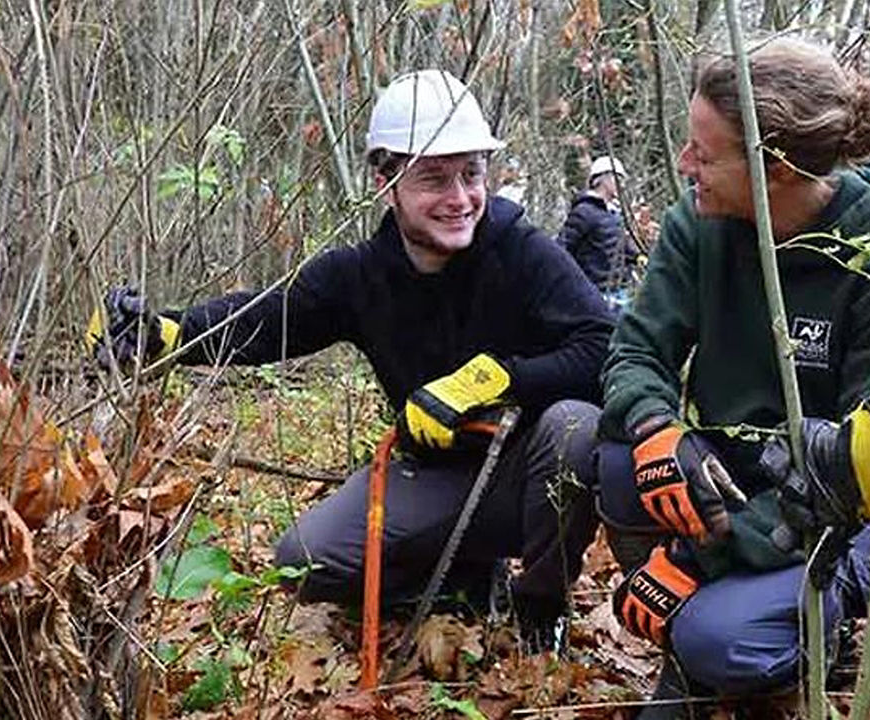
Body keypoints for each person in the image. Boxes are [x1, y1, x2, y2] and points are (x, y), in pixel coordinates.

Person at [87, 69, 615, 651]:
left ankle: (540, 608)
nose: (460, 198)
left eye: (471, 174)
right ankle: (458, 581)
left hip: (525, 476)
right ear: (385, 182)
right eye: (434, 179)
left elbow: (603, 348)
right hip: (432, 472)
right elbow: (265, 320)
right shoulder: (358, 276)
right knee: (305, 561)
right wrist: (166, 334)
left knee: (576, 427)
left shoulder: (522, 252)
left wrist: (494, 379)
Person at [594, 38, 870, 717]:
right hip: (731, 476)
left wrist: (695, 562)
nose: (684, 164)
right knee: (610, 460)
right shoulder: (699, 224)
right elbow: (633, 351)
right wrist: (656, 431)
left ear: (776, 168)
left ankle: (805, 628)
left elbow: (853, 476)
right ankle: (707, 614)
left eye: (704, 151)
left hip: (842, 513)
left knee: (716, 640)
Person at [557, 155, 643, 303]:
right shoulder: (584, 212)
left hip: (619, 293)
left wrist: (638, 257)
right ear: (602, 179)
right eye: (618, 179)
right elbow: (561, 250)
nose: (621, 185)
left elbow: (617, 246)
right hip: (595, 295)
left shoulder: (613, 213)